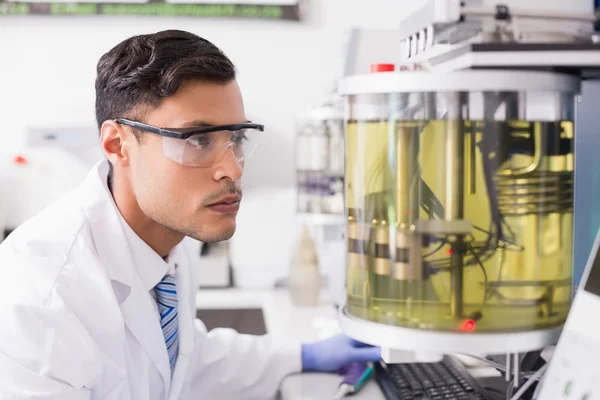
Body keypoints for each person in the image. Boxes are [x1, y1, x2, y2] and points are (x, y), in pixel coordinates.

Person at [0, 30, 380, 399]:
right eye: (198, 140)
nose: (232, 168)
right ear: (118, 144)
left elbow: (185, 361)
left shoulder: (168, 240)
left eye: (237, 138)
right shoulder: (41, 297)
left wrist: (305, 356)